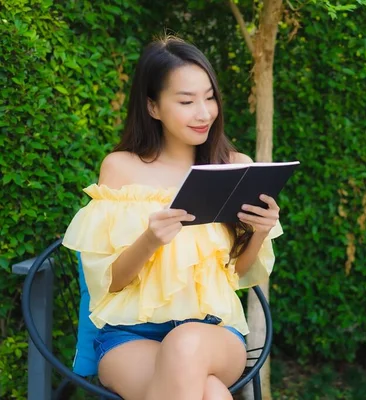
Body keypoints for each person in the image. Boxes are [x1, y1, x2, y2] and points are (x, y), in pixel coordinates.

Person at [62, 35, 283, 400]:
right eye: (186, 101)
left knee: (185, 343)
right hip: (129, 337)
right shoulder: (121, 169)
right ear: (153, 107)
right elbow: (112, 283)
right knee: (212, 394)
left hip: (214, 334)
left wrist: (259, 232)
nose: (203, 112)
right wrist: (150, 239)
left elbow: (239, 275)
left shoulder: (236, 167)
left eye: (209, 97)